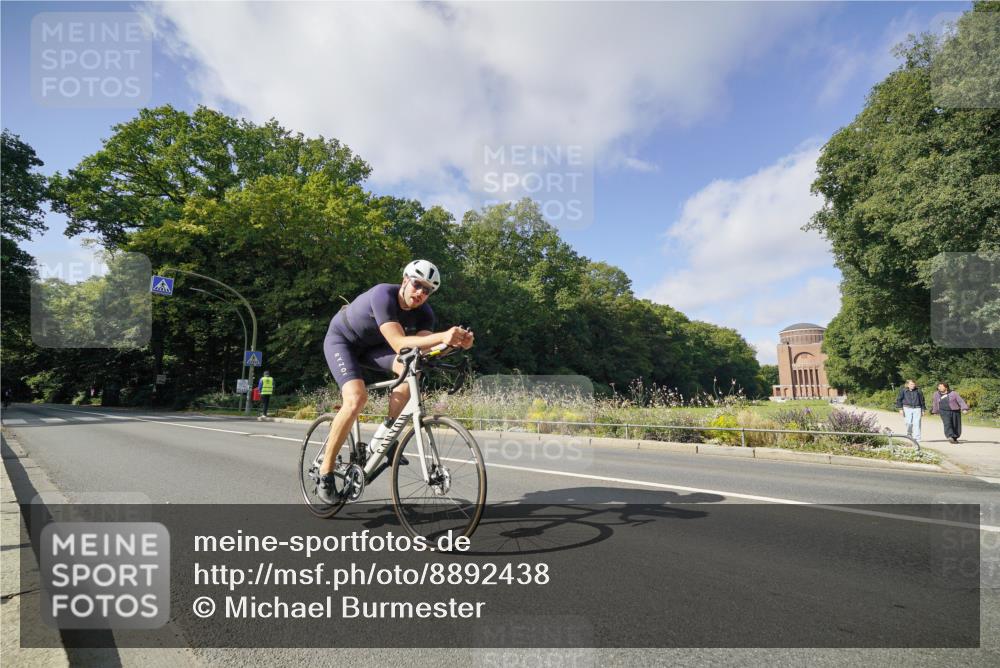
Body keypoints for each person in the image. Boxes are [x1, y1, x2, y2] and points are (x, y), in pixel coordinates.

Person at [317, 260, 473, 503]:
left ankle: (385, 436)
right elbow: (400, 343)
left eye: (428, 290)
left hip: (374, 348)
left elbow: (423, 347)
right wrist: (443, 335)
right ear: (404, 281)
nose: (421, 292)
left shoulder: (425, 314)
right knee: (357, 398)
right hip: (343, 342)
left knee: (413, 366)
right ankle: (325, 473)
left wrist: (453, 343)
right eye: (417, 285)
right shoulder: (383, 295)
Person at [895, 379, 926, 444]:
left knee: (917, 423)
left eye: (914, 384)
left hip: (917, 408)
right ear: (908, 385)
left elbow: (922, 401)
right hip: (907, 408)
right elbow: (899, 399)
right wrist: (900, 409)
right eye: (911, 384)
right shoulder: (903, 390)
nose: (913, 385)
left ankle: (917, 438)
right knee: (908, 422)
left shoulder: (918, 391)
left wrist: (923, 409)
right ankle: (909, 433)